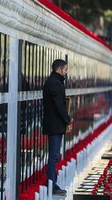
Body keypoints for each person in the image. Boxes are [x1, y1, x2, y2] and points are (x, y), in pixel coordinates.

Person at [42, 59, 72, 196]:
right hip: (55, 125)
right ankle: (51, 185)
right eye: (65, 69)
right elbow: (59, 106)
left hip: (54, 124)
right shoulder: (55, 84)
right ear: (59, 70)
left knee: (54, 155)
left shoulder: (54, 82)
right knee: (54, 156)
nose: (66, 72)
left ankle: (52, 183)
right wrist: (68, 120)